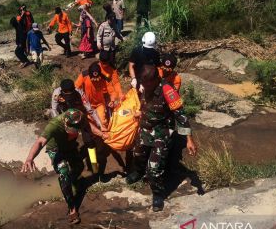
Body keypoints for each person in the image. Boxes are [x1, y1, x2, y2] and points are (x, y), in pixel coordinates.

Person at [127, 66, 197, 212]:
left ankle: (158, 194)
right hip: (146, 128)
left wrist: (189, 139)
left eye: (147, 84)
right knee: (137, 154)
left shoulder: (168, 90)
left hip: (161, 132)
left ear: (155, 80)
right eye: (143, 83)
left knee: (154, 168)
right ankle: (138, 173)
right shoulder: (143, 84)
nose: (144, 86)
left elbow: (181, 116)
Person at [21, 109, 91, 224]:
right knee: (64, 173)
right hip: (56, 150)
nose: (74, 131)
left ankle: (72, 182)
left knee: (79, 167)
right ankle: (72, 208)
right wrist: (30, 158)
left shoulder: (80, 118)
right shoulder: (54, 125)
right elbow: (40, 142)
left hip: (70, 146)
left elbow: (89, 128)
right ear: (65, 121)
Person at [51, 79, 108, 173]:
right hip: (65, 115)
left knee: (89, 141)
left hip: (80, 114)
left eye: (71, 93)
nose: (69, 95)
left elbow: (90, 110)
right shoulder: (57, 94)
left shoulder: (79, 92)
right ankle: (71, 165)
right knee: (67, 142)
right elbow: (54, 110)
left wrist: (100, 124)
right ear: (62, 90)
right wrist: (60, 123)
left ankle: (94, 168)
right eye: (67, 94)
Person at [75, 61, 117, 128]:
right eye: (93, 78)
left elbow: (112, 92)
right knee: (89, 122)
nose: (95, 80)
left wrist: (112, 101)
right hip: (87, 105)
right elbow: (76, 87)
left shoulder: (104, 78)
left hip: (100, 104)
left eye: (97, 78)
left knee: (102, 122)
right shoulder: (84, 75)